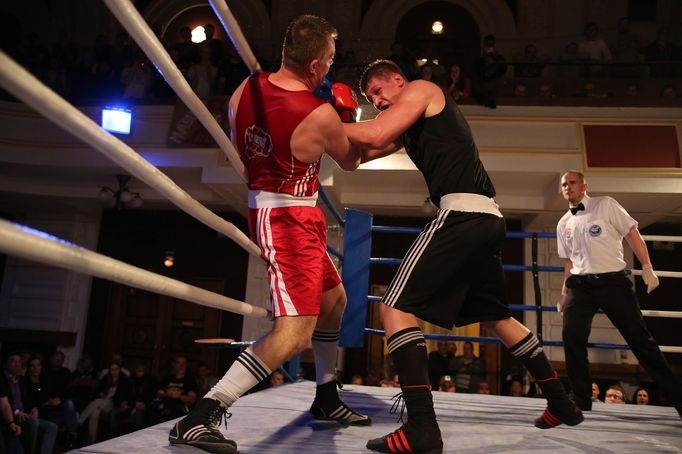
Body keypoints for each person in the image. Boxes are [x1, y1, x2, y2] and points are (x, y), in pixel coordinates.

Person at [345, 59, 583, 454]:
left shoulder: (422, 89)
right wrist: (330, 126)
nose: (376, 100)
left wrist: (318, 119)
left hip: (462, 214)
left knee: (393, 307)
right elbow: (352, 158)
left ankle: (422, 427)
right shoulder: (408, 126)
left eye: (378, 91)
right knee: (497, 319)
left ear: (398, 80)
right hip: (487, 218)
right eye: (370, 97)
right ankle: (561, 402)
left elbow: (373, 132)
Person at [168, 15, 367, 454]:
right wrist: (373, 123)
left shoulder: (246, 88)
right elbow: (352, 160)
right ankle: (200, 415)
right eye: (330, 60)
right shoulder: (318, 114)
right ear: (315, 66)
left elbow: (246, 140)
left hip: (277, 203)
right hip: (286, 220)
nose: (332, 68)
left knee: (334, 303)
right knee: (294, 334)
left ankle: (326, 397)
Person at [556, 171, 682, 419]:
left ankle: (678, 398)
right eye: (563, 184)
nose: (567, 187)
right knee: (572, 338)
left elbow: (631, 232)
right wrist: (564, 292)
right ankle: (580, 399)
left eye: (572, 182)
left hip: (613, 282)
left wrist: (647, 266)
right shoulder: (563, 223)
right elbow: (570, 262)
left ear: (583, 185)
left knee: (641, 341)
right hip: (580, 286)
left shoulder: (606, 204)